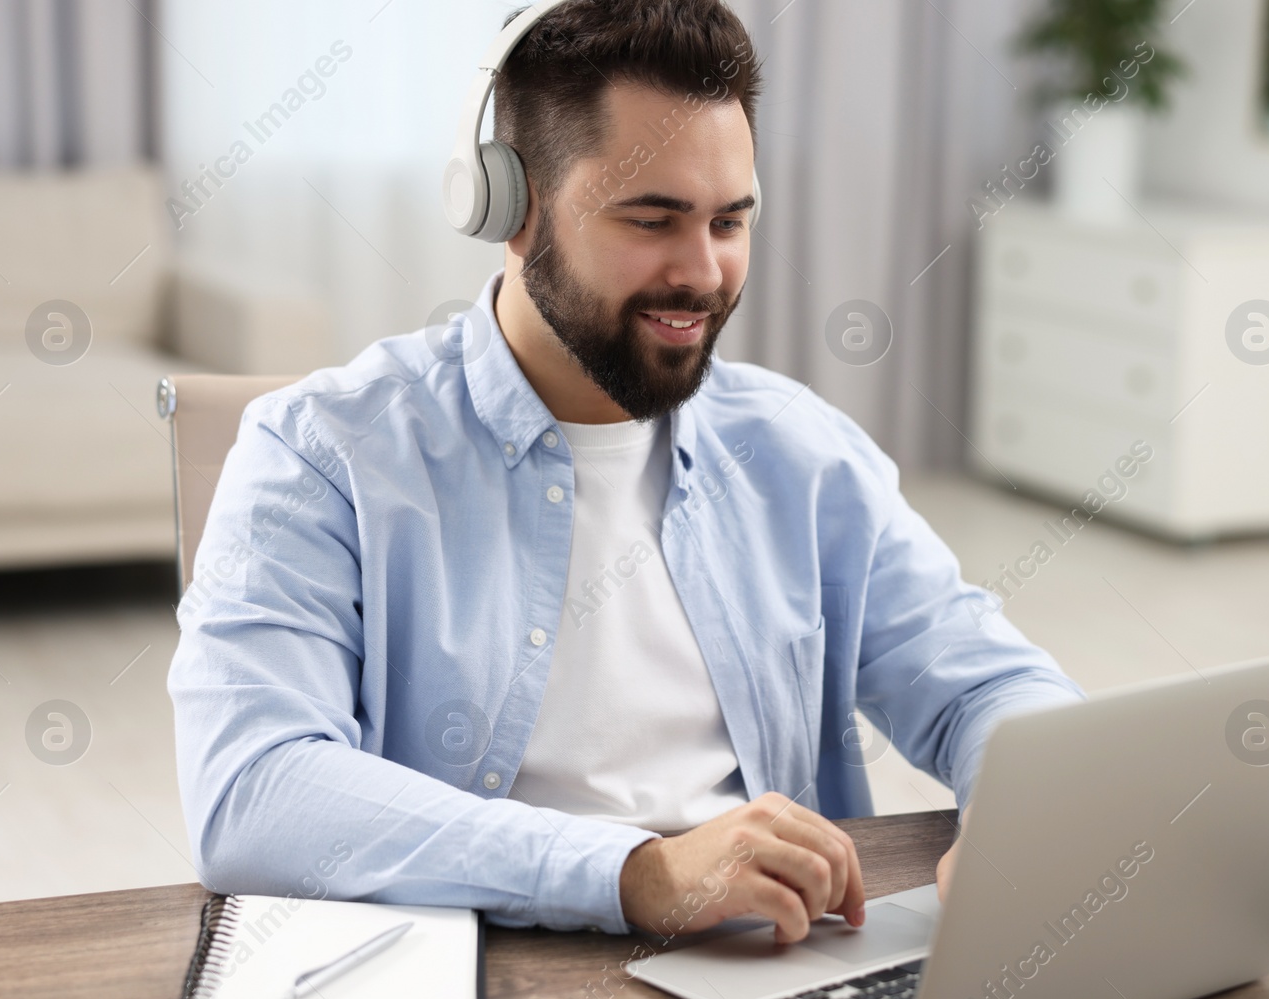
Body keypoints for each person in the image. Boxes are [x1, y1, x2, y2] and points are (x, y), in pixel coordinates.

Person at [169, 0, 1082, 946]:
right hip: (475, 975)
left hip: (769, 966)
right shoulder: (319, 453)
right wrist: (635, 874)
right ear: (511, 211)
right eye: (654, 219)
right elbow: (254, 788)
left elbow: (990, 686)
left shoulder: (799, 453)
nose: (704, 271)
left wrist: (1029, 820)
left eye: (731, 220)